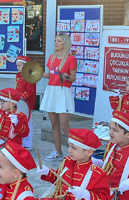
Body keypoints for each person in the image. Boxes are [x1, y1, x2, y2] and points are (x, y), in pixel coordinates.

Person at [36, 129, 110, 200]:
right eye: (69, 146)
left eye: (74, 148)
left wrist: (87, 195)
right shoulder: (67, 162)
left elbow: (104, 197)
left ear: (89, 152)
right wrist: (48, 172)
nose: (69, 150)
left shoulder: (97, 174)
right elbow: (59, 181)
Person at [39, 33, 77, 161]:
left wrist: (67, 76)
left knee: (65, 126)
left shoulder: (71, 59)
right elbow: (51, 75)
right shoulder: (51, 57)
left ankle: (79, 150)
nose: (56, 43)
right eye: (55, 40)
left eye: (59, 41)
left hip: (63, 92)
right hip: (51, 91)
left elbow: (73, 78)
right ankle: (59, 153)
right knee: (54, 124)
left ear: (65, 43)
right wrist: (36, 74)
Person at [14, 56, 36, 149]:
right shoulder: (18, 75)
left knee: (27, 122)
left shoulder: (30, 77)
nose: (17, 67)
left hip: (26, 104)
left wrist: (21, 97)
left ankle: (28, 143)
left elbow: (30, 91)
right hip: (19, 102)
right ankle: (22, 140)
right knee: (20, 121)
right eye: (17, 65)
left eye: (19, 65)